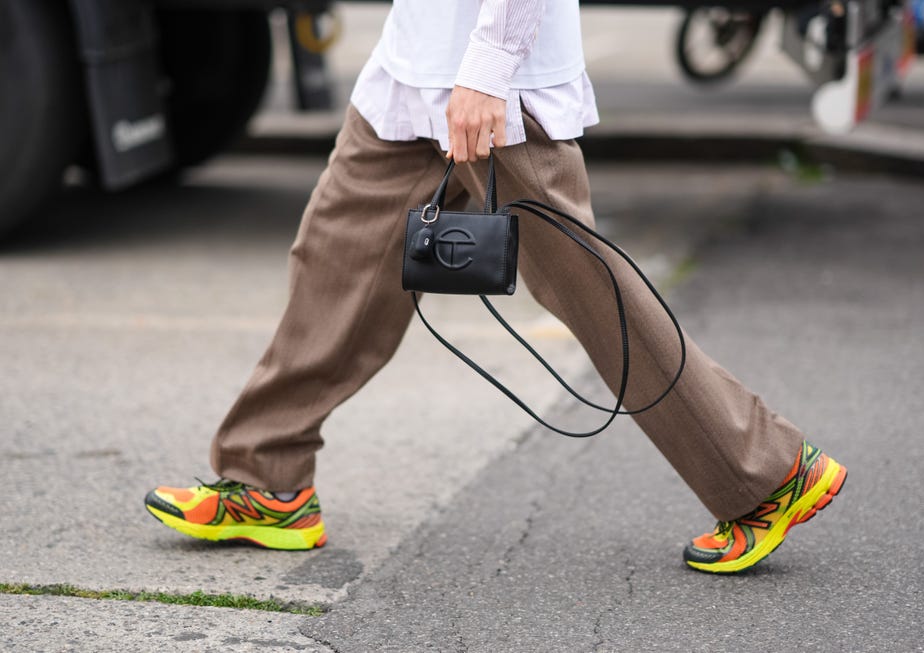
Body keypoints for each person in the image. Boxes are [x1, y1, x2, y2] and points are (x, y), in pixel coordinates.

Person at [144, 0, 847, 574]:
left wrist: (486, 72)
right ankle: (269, 479)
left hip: (495, 77)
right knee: (335, 253)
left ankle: (766, 474)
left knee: (590, 289)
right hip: (413, 62)